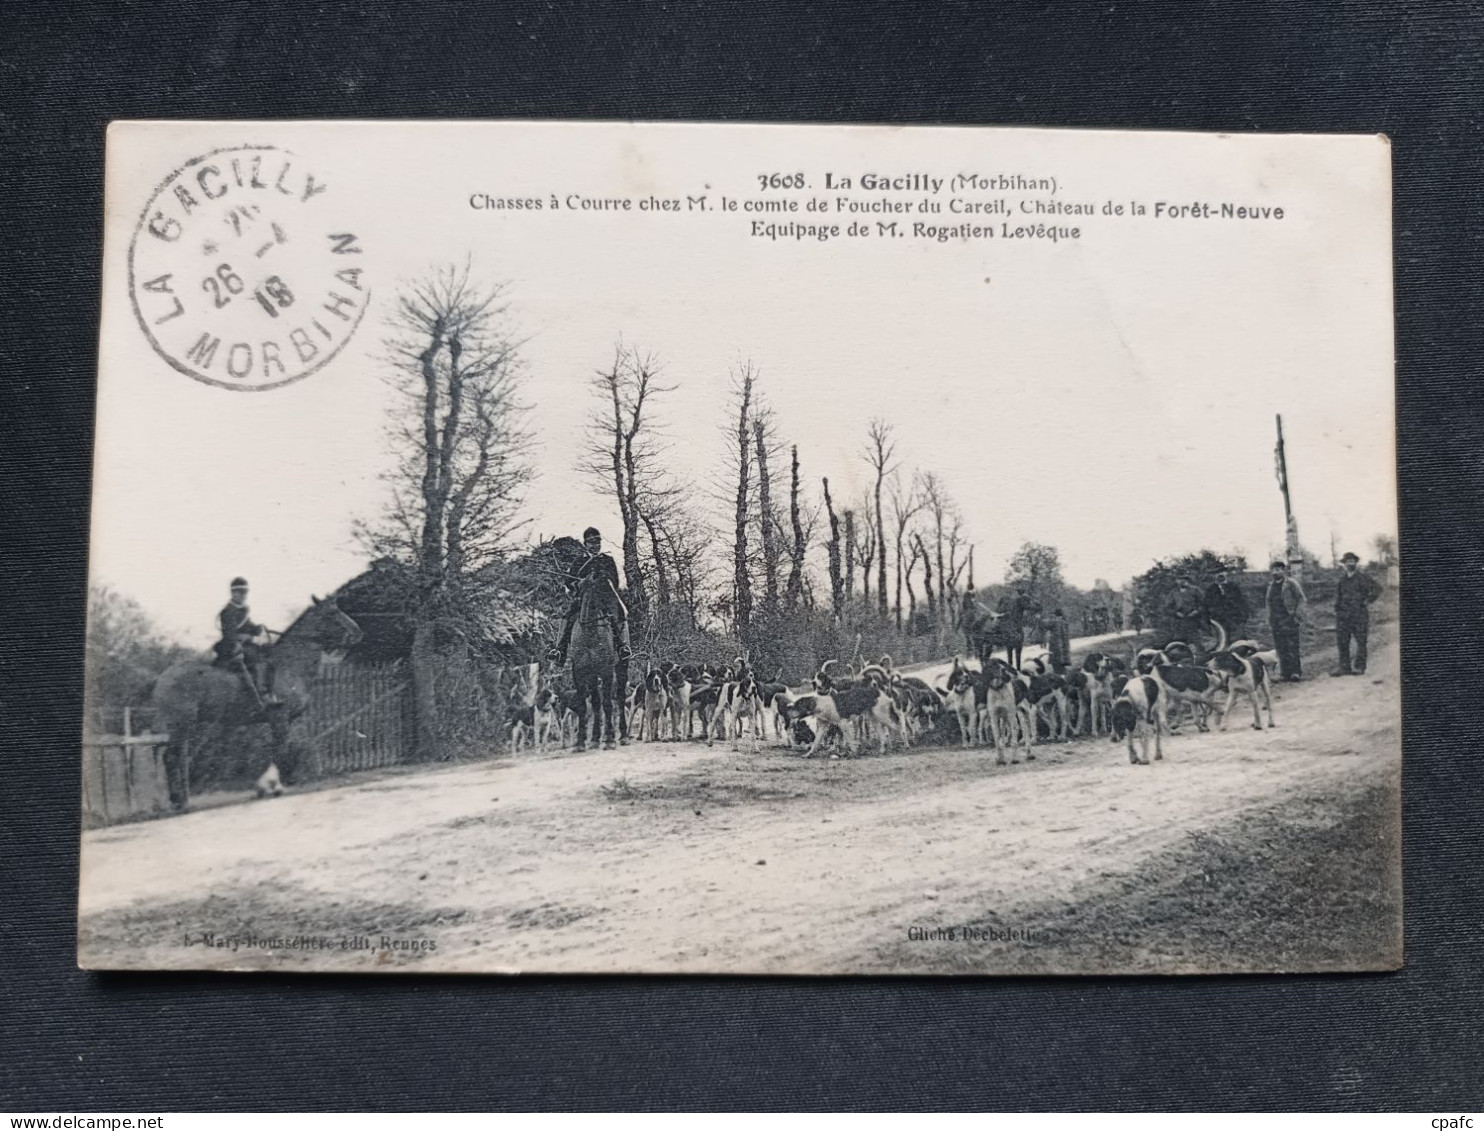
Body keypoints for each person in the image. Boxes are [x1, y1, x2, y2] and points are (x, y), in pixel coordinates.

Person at [550, 527, 633, 665]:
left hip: (605, 597)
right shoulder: (579, 561)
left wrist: (605, 578)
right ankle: (560, 650)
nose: (596, 545)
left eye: (597, 542)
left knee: (620, 612)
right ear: (586, 544)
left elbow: (615, 581)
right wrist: (580, 583)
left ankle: (623, 646)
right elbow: (569, 582)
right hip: (584, 598)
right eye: (592, 543)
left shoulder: (607, 560)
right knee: (568, 616)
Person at [213, 577, 274, 707]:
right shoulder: (228, 611)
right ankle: (259, 694)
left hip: (243, 643)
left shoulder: (243, 609)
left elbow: (248, 625)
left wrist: (258, 628)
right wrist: (250, 638)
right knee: (253, 657)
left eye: (245, 593)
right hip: (230, 646)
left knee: (270, 650)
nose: (243, 596)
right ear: (233, 593)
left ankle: (270, 689)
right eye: (240, 592)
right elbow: (230, 635)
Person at [1332, 551, 1382, 675]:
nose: (1350, 563)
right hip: (1344, 616)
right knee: (1342, 641)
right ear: (1344, 564)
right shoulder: (1342, 580)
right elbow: (1338, 596)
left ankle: (1359, 667)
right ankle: (1344, 667)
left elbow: (1378, 589)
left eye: (1352, 561)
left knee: (1361, 641)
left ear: (1356, 562)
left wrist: (1368, 600)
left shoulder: (1363, 577)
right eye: (1348, 561)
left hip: (1359, 614)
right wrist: (1338, 610)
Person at [1264, 560, 1307, 681]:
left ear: (1284, 570)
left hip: (1289, 618)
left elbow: (1301, 599)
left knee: (1292, 646)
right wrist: (1269, 619)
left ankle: (1295, 672)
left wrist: (1297, 616)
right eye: (1273, 570)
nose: (1275, 572)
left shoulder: (1291, 583)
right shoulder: (1271, 586)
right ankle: (1284, 673)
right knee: (1280, 647)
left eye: (1278, 570)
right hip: (1275, 621)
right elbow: (1268, 603)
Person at [1205, 568, 1252, 639]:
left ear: (1226, 573)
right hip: (1218, 619)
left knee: (1238, 637)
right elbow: (1207, 604)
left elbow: (1241, 601)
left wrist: (1244, 615)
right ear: (1214, 575)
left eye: (1222, 572)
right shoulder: (1211, 589)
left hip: (1234, 617)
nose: (1220, 574)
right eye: (1217, 573)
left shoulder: (1233, 587)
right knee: (1222, 639)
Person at [1170, 573, 1207, 648]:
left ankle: (1201, 655)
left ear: (1187, 580)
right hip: (1179, 621)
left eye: (1184, 579)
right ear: (1176, 581)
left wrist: (1196, 611)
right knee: (1179, 642)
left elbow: (1204, 603)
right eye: (1179, 579)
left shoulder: (1195, 590)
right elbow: (1168, 607)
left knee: (1197, 641)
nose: (1182, 581)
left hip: (1194, 620)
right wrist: (1176, 613)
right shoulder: (1174, 592)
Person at [1045, 607, 1071, 673]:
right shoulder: (1065, 621)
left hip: (1055, 642)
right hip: (1064, 643)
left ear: (1055, 614)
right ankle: (1063, 671)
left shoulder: (1055, 621)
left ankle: (1058, 673)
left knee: (1056, 660)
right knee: (1062, 659)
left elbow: (1045, 625)